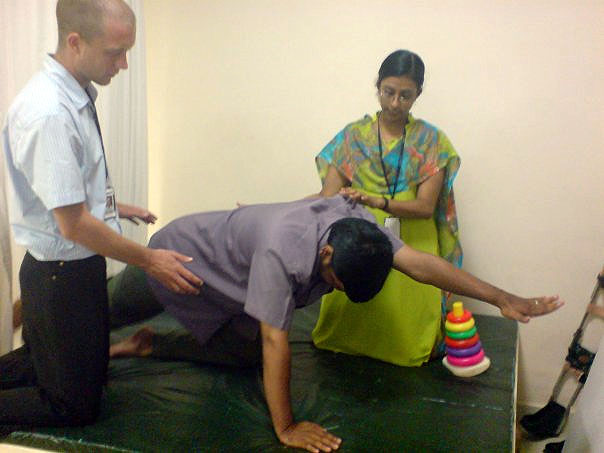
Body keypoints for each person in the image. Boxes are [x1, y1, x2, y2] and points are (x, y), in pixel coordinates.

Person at [108, 195, 562, 453]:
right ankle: (72, 323)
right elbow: (275, 341)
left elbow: (422, 265)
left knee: (245, 356)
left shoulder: (360, 228)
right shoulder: (283, 252)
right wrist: (287, 428)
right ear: (325, 254)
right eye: (336, 284)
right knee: (104, 312)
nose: (336, 291)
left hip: (238, 282)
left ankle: (150, 345)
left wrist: (503, 298)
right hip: (179, 258)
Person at [0, 0, 201, 434]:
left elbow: (65, 190)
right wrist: (150, 260)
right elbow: (72, 224)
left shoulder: (75, 94)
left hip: (72, 267)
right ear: (75, 42)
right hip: (59, 276)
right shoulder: (50, 112)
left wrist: (115, 207)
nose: (123, 64)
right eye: (115, 52)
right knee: (72, 406)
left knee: (54, 368)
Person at [311, 49, 463, 366]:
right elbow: (327, 197)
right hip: (357, 239)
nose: (395, 103)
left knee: (409, 345)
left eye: (405, 96)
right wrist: (275, 213)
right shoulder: (354, 136)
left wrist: (376, 201)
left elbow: (424, 207)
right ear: (378, 86)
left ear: (418, 94)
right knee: (344, 326)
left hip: (412, 241)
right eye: (388, 92)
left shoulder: (432, 142)